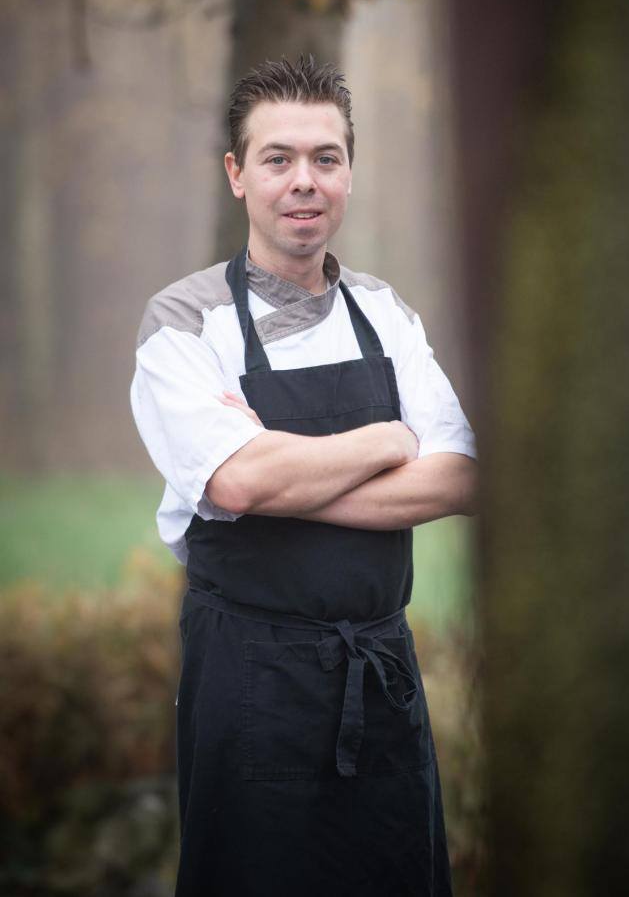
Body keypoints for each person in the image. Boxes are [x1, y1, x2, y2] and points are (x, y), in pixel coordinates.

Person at [130, 56, 478, 897]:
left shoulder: (386, 313)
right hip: (251, 686)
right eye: (278, 158)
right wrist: (389, 437)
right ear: (237, 175)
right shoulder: (183, 321)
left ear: (349, 173)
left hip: (383, 677)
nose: (304, 181)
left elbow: (460, 477)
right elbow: (240, 486)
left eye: (326, 158)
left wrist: (282, 472)